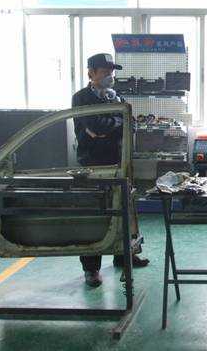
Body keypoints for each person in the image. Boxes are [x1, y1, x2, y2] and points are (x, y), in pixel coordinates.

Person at [72, 53, 149, 288]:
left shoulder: (116, 96)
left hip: (119, 162)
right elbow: (95, 127)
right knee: (95, 215)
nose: (110, 76)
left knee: (124, 210)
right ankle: (91, 269)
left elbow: (130, 124)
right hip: (93, 164)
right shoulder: (81, 98)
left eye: (111, 72)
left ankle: (124, 256)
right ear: (91, 73)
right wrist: (117, 121)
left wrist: (112, 125)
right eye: (105, 72)